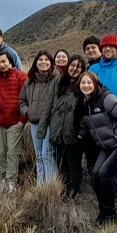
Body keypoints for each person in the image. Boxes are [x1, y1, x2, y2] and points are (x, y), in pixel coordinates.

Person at [76, 71, 117, 224]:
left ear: (96, 83)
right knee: (96, 173)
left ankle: (112, 213)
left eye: (89, 82)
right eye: (83, 83)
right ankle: (103, 210)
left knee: (105, 172)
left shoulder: (106, 98)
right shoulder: (85, 102)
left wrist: (116, 137)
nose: (86, 85)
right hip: (109, 144)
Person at [41, 55, 86, 198]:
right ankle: (64, 190)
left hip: (73, 131)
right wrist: (43, 128)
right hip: (57, 130)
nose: (75, 69)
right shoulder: (58, 82)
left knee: (74, 163)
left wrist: (81, 131)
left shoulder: (84, 84)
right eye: (72, 65)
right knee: (62, 163)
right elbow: (48, 105)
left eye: (78, 67)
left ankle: (74, 192)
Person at [0, 52, 27, 191]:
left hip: (15, 121)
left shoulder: (21, 76)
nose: (1, 65)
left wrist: (22, 120)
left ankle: (11, 180)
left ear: (10, 62)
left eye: (4, 62)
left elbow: (27, 99)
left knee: (12, 152)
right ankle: (3, 177)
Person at [20, 51, 60, 186]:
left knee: (47, 153)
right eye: (40, 60)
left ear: (51, 62)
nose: (43, 62)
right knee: (38, 155)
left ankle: (50, 186)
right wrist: (28, 112)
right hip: (35, 122)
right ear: (35, 63)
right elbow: (22, 101)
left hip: (50, 122)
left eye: (46, 60)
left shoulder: (57, 79)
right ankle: (40, 185)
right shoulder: (29, 81)